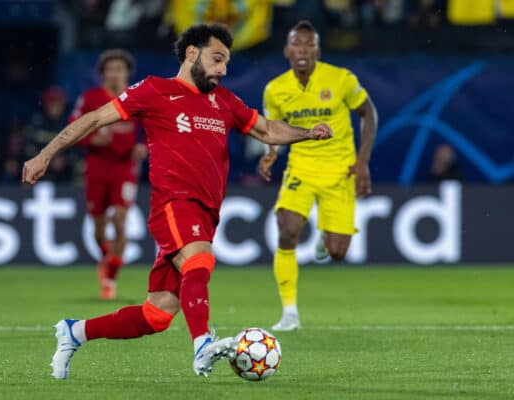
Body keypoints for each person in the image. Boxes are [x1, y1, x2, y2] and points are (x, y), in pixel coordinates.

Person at [22, 23, 332, 380]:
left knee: (157, 314)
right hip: (174, 202)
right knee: (200, 258)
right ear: (191, 53)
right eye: (217, 59)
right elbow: (93, 119)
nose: (223, 70)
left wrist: (307, 133)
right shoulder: (155, 90)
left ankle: (75, 332)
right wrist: (45, 154)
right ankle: (202, 343)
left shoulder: (225, 101)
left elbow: (267, 130)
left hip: (206, 210)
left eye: (226, 63)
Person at [257, 20, 378, 332]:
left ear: (318, 51)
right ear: (287, 50)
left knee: (338, 253)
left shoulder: (340, 79)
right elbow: (274, 130)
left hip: (340, 170)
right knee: (287, 230)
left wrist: (362, 161)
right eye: (297, 44)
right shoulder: (275, 89)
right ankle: (289, 313)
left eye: (309, 45)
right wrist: (270, 154)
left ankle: (326, 241)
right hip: (301, 168)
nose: (303, 50)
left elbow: (369, 113)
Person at [71, 49, 147, 300]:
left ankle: (110, 280)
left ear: (127, 73)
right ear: (103, 74)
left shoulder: (138, 98)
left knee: (120, 220)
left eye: (120, 69)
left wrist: (145, 147)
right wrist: (94, 137)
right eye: (110, 70)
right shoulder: (91, 99)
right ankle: (106, 257)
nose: (115, 74)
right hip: (96, 167)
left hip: (125, 168)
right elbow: (73, 130)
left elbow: (155, 130)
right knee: (98, 227)